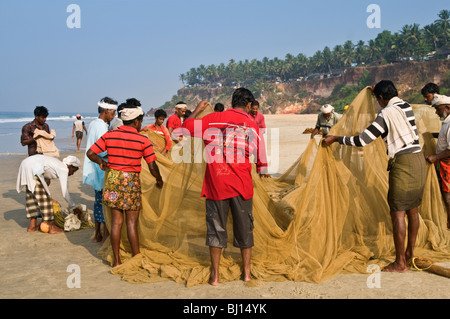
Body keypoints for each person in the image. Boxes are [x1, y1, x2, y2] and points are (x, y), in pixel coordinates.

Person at [323, 80, 426, 273]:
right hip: (418, 161)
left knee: (398, 213)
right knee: (413, 210)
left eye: (378, 99)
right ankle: (410, 254)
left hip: (403, 163)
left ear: (380, 98)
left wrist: (336, 138)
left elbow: (363, 139)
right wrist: (375, 89)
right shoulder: (405, 106)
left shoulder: (385, 114)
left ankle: (400, 263)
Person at [182, 88, 270, 286]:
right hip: (241, 185)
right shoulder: (251, 124)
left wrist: (196, 110)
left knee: (216, 229)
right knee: (245, 229)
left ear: (232, 102)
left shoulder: (212, 119)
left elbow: (185, 129)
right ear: (248, 105)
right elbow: (261, 154)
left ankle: (215, 276)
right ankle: (246, 274)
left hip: (216, 184)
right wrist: (262, 168)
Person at [87, 102, 164, 267]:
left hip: (113, 180)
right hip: (131, 182)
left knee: (116, 222)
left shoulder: (110, 135)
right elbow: (152, 166)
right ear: (136, 122)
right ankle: (136, 256)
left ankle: (116, 260)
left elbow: (90, 153)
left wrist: (102, 162)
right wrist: (159, 180)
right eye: (141, 121)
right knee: (131, 222)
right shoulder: (142, 140)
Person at [16, 155, 81, 234]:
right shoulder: (63, 168)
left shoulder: (57, 164)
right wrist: (73, 206)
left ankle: (32, 226)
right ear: (69, 166)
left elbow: (46, 179)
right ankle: (51, 227)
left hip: (26, 164)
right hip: (33, 167)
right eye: (73, 170)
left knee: (32, 197)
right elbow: (65, 193)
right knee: (46, 201)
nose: (72, 173)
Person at [83, 97, 118, 242]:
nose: (114, 115)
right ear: (107, 111)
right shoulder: (102, 127)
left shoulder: (93, 123)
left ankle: (97, 233)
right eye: (113, 112)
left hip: (95, 168)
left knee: (98, 201)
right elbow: (103, 149)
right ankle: (105, 236)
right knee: (106, 204)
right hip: (101, 168)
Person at [425, 94, 450, 230]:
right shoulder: (447, 122)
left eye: (438, 109)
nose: (436, 112)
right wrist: (431, 135)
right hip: (444, 162)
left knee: (447, 193)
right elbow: (444, 136)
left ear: (447, 107)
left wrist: (435, 157)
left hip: (447, 163)